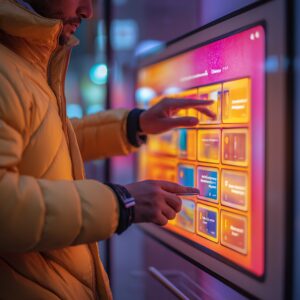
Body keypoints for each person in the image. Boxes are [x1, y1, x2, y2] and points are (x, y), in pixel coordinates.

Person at [0, 0, 214, 299]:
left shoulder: (22, 65)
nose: (88, 11)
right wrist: (120, 203)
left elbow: (48, 140)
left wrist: (134, 124)